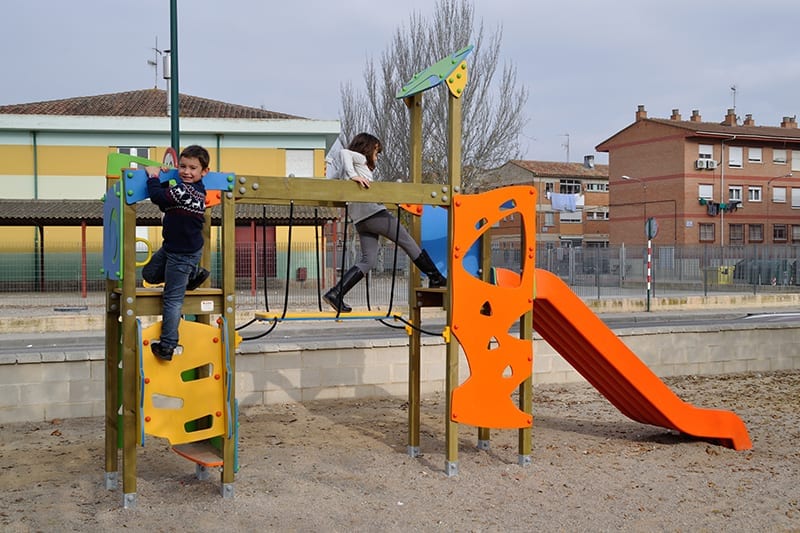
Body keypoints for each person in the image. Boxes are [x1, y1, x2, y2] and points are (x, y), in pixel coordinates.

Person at [324, 132, 446, 313]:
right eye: (376, 152)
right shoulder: (359, 160)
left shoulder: (346, 168)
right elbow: (344, 152)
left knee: (368, 260)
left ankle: (336, 293)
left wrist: (348, 175)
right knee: (407, 241)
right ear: (367, 148)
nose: (377, 157)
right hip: (374, 214)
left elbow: (331, 179)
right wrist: (353, 175)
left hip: (360, 220)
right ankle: (435, 277)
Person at [142, 145, 211, 361]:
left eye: (193, 168)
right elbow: (167, 204)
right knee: (149, 275)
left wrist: (154, 177)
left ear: (204, 172)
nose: (186, 172)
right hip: (171, 248)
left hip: (184, 254)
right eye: (182, 166)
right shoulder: (185, 190)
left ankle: (167, 346)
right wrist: (165, 182)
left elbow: (157, 197)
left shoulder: (187, 190)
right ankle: (191, 276)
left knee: (172, 299)